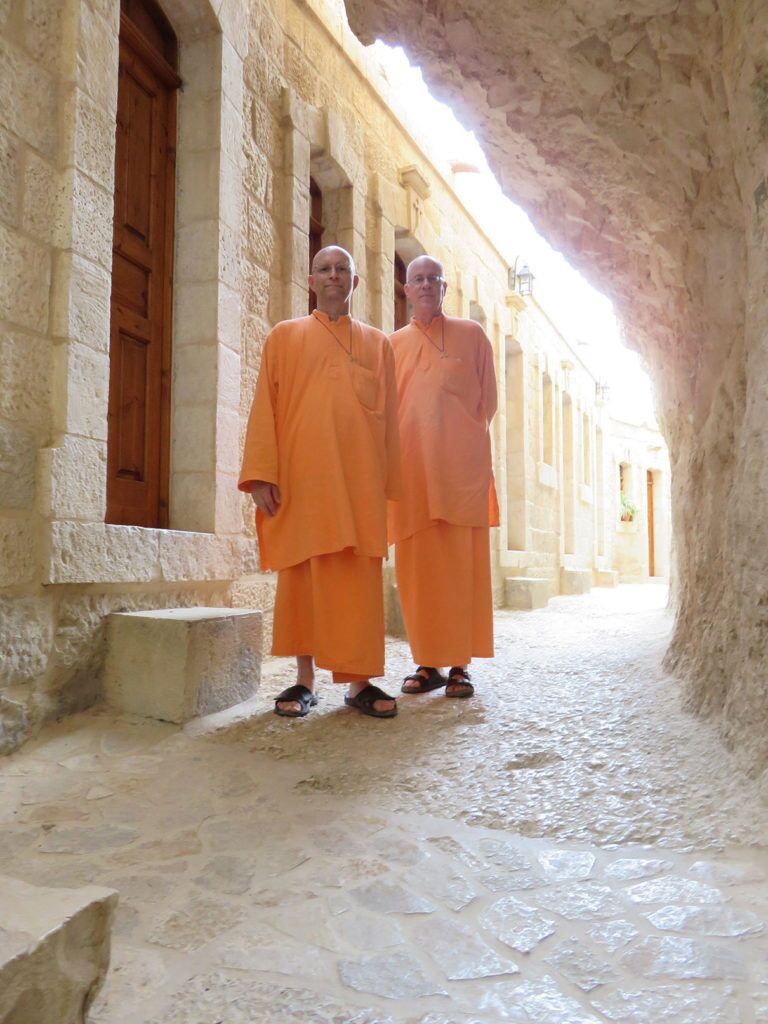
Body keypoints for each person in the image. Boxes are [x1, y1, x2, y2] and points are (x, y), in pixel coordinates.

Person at [239, 245, 401, 719]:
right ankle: (303, 680)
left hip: (358, 485)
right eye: (324, 270)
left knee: (356, 581)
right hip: (302, 481)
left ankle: (358, 684)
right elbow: (264, 409)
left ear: (355, 283)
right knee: (304, 580)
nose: (333, 277)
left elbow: (390, 418)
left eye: (342, 270)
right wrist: (261, 475)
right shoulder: (284, 337)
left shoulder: (378, 344)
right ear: (311, 282)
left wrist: (390, 486)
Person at [388, 255, 498, 698]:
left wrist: (456, 444)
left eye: (434, 278)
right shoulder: (391, 344)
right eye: (418, 279)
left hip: (459, 474)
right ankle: (427, 662)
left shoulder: (472, 336)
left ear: (444, 288)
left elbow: (486, 402)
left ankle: (459, 665)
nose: (427, 285)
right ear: (407, 289)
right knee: (419, 571)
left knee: (460, 568)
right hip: (413, 474)